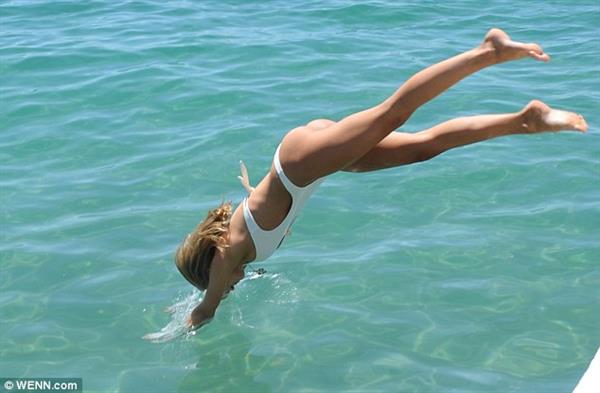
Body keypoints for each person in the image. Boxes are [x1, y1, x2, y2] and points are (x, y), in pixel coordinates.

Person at [174, 28, 588, 332]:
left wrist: (175, 331)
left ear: (210, 265)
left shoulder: (228, 253)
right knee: (422, 148)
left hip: (300, 161)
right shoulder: (237, 254)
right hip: (313, 167)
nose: (227, 288)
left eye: (220, 284)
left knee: (393, 113)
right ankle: (524, 122)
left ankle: (487, 51)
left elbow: (206, 309)